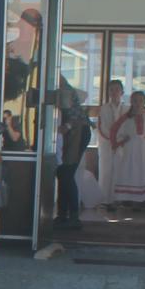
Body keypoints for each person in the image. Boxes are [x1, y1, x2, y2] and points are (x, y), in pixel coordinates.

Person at [105, 90, 145, 206]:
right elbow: (114, 130)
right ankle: (123, 198)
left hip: (144, 149)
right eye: (135, 101)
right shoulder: (125, 118)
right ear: (131, 102)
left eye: (140, 101)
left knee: (142, 173)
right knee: (127, 172)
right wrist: (121, 141)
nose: (138, 103)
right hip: (130, 149)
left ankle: (138, 201)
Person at [53, 82, 90, 229]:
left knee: (66, 174)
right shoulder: (61, 86)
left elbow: (74, 117)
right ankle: (63, 214)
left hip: (76, 133)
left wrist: (66, 127)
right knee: (63, 174)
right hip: (69, 134)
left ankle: (73, 216)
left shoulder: (64, 89)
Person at [96, 78, 124, 208]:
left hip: (121, 143)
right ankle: (104, 199)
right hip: (107, 143)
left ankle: (116, 198)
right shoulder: (104, 108)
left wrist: (119, 140)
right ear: (108, 92)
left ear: (122, 92)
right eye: (111, 90)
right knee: (106, 169)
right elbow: (103, 127)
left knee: (119, 169)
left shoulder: (126, 109)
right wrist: (112, 139)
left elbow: (127, 126)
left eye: (117, 89)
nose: (114, 92)